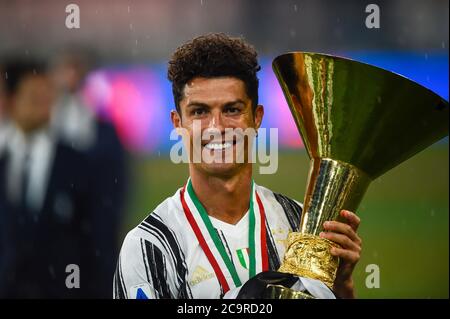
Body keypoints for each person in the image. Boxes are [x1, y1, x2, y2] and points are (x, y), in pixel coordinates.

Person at [113, 33, 362, 299]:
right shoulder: (149, 246)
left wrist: (342, 287)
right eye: (199, 112)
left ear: (257, 118)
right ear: (178, 123)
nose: (217, 127)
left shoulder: (301, 226)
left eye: (232, 110)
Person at [0, 58, 95, 298]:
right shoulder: (4, 160)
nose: (43, 104)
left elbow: (96, 241)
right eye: (33, 96)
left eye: (47, 96)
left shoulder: (78, 164)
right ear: (11, 101)